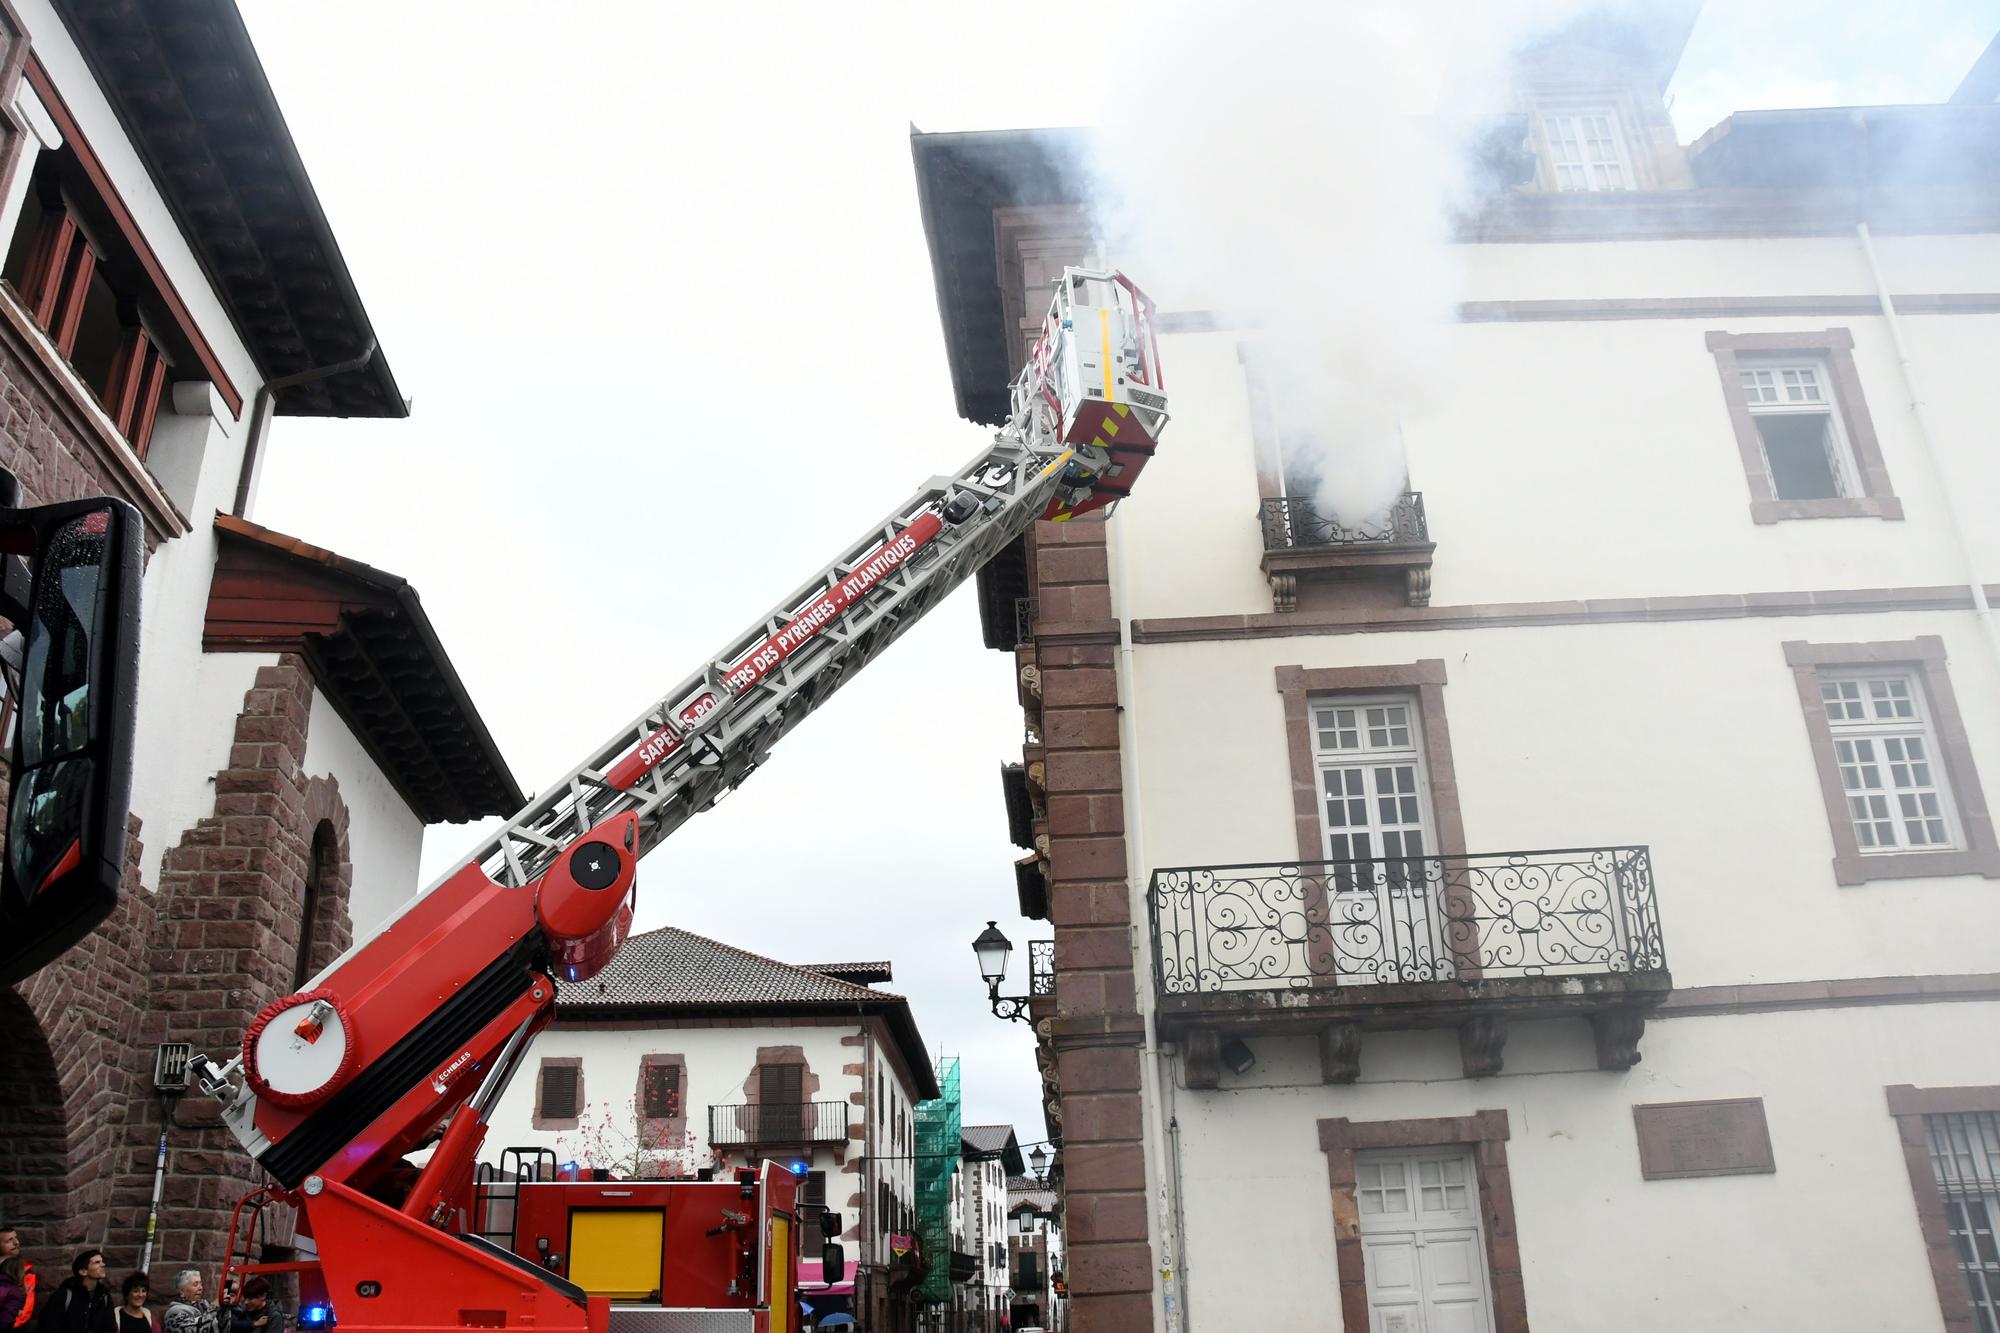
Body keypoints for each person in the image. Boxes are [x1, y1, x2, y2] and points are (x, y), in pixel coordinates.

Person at [38, 1251, 113, 1333]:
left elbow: (109, 1328)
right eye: (97, 1262)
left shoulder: (104, 1296)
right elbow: (49, 1327)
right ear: (83, 1271)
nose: (103, 1264)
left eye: (102, 1261)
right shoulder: (64, 1295)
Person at [0, 1225, 33, 1330]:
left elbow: (26, 1308)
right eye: (9, 1240)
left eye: (16, 1238)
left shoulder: (25, 1269)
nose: (16, 1243)